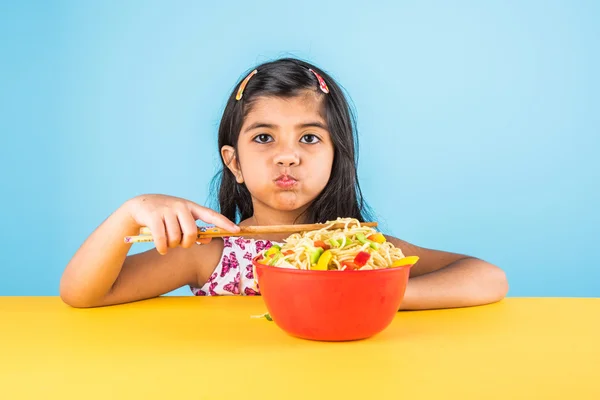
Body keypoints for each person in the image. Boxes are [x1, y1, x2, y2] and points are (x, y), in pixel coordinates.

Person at [60, 58, 508, 308]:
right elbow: (84, 294)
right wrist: (131, 210)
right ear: (233, 163)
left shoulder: (366, 251)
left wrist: (375, 294)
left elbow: (488, 278)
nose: (287, 154)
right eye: (263, 137)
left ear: (337, 157)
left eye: (310, 138)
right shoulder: (212, 252)